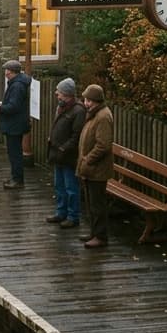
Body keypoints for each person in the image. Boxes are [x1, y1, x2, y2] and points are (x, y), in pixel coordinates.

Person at [76, 83, 114, 249]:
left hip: (97, 169)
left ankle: (100, 236)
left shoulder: (103, 117)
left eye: (89, 100)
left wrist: (88, 159)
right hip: (89, 168)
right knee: (91, 203)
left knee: (97, 204)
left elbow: (103, 145)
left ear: (96, 101)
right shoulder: (94, 114)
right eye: (85, 100)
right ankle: (94, 232)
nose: (86, 103)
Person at [45, 78, 85, 228]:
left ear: (67, 94)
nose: (57, 94)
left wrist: (63, 148)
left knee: (71, 188)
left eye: (59, 92)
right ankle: (60, 212)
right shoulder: (61, 107)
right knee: (59, 186)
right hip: (57, 154)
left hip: (68, 156)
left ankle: (73, 216)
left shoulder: (78, 111)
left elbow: (76, 135)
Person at [0, 59, 31, 189]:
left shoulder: (17, 86)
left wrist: (0, 108)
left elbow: (13, 107)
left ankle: (18, 180)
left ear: (12, 72)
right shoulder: (17, 83)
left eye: (7, 70)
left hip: (15, 125)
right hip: (16, 124)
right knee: (14, 153)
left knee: (15, 153)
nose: (6, 73)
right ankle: (15, 177)